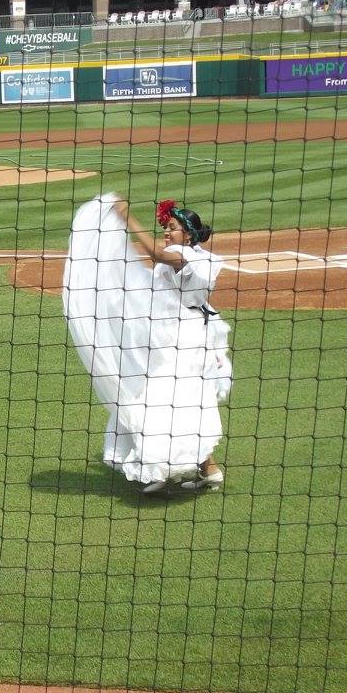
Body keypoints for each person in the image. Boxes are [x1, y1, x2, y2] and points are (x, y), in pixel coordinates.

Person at [63, 194, 232, 494]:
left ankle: (162, 467)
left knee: (163, 398)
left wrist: (126, 218)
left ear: (189, 234)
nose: (167, 232)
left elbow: (154, 254)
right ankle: (203, 469)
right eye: (166, 227)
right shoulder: (180, 257)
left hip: (184, 340)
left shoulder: (192, 257)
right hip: (172, 337)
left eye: (172, 227)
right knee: (174, 400)